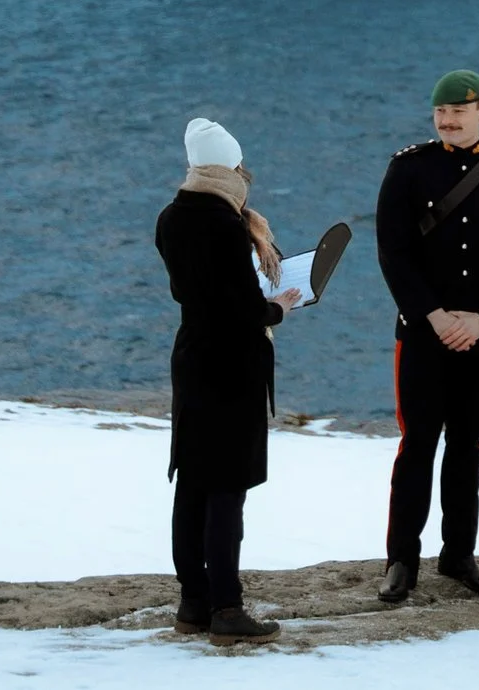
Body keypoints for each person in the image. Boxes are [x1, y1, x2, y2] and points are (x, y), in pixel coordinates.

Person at [373, 69, 479, 601]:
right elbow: (393, 253)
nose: (447, 121)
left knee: (466, 446)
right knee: (418, 444)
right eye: (441, 113)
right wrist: (436, 316)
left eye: (459, 112)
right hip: (425, 332)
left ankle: (459, 555)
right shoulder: (408, 169)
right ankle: (401, 560)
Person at [155, 117, 304, 643]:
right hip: (230, 367)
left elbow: (201, 296)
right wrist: (279, 308)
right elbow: (241, 308)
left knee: (193, 485)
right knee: (226, 491)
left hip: (192, 358)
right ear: (228, 168)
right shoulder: (223, 222)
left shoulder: (171, 217)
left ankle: (193, 603)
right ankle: (228, 609)